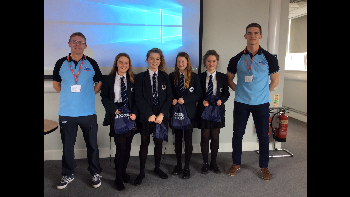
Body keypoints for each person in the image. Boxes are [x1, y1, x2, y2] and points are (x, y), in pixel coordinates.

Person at [226, 23, 280, 181]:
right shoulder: (236, 58)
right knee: (238, 135)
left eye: (256, 33)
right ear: (245, 36)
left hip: (262, 104)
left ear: (261, 36)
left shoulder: (269, 58)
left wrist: (262, 92)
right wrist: (240, 90)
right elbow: (229, 79)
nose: (252, 36)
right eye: (249, 33)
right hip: (241, 103)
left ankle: (264, 167)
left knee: (263, 136)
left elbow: (275, 80)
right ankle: (236, 163)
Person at [52, 32, 103, 189]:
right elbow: (56, 84)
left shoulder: (92, 63)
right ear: (69, 43)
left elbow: (99, 82)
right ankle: (68, 174)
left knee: (92, 145)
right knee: (68, 146)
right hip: (67, 112)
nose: (77, 44)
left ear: (85, 46)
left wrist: (88, 94)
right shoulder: (60, 63)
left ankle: (95, 172)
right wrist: (70, 96)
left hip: (88, 112)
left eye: (81, 42)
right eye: (74, 41)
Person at [133, 48, 173, 186]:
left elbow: (169, 98)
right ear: (147, 60)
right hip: (146, 116)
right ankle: (142, 172)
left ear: (160, 61)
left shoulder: (165, 77)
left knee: (159, 143)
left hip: (161, 117)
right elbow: (138, 98)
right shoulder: (140, 77)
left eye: (157, 59)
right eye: (152, 58)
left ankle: (157, 168)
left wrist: (161, 114)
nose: (154, 61)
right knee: (144, 143)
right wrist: (149, 114)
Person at [100, 53, 139, 191]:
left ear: (129, 65)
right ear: (116, 63)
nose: (123, 65)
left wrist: (134, 112)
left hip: (130, 115)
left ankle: (123, 172)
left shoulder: (133, 79)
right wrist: (113, 110)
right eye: (121, 62)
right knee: (121, 147)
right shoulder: (109, 79)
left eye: (126, 63)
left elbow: (136, 99)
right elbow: (104, 97)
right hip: (116, 114)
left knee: (128, 147)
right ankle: (117, 177)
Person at [169, 52, 202, 179]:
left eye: (183, 61)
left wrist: (186, 100)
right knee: (177, 140)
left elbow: (198, 94)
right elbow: (169, 93)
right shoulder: (172, 76)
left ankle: (187, 167)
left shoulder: (194, 77)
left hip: (189, 114)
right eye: (178, 61)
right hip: (176, 113)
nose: (181, 64)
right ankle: (178, 165)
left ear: (187, 62)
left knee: (188, 141)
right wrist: (173, 99)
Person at [197, 50, 230, 174]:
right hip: (204, 111)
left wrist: (222, 100)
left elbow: (226, 93)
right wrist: (202, 101)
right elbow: (197, 93)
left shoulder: (222, 77)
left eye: (214, 61)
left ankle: (213, 163)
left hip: (217, 111)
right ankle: (205, 163)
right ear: (205, 62)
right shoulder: (199, 77)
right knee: (205, 137)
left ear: (217, 62)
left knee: (215, 137)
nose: (211, 63)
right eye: (209, 61)